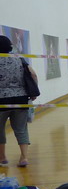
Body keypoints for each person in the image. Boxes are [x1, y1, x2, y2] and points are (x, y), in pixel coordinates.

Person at [0, 35, 37, 167]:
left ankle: (3, 158)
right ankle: (24, 157)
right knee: (21, 129)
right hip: (20, 98)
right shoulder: (19, 58)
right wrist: (33, 91)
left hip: (1, 99)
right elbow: (33, 74)